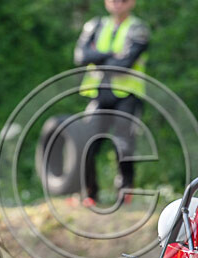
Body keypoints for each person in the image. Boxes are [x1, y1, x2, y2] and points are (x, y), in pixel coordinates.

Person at [74, 0, 150, 207]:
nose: (118, 4)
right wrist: (110, 55)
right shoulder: (95, 25)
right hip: (99, 94)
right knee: (86, 143)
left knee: (123, 145)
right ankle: (90, 193)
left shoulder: (138, 28)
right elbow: (80, 56)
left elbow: (124, 64)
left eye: (123, 0)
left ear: (132, 3)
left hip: (126, 95)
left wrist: (97, 56)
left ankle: (125, 193)